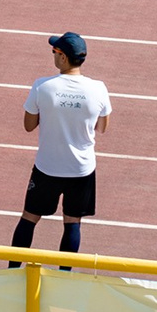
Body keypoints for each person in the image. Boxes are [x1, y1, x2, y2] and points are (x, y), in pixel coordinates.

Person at [13, 31, 110, 256]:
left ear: (63, 57)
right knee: (72, 221)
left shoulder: (42, 86)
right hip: (81, 169)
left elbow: (28, 125)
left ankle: (13, 270)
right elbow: (103, 127)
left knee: (29, 217)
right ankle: (64, 274)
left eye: (54, 52)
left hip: (48, 166)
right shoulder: (99, 88)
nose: (53, 56)